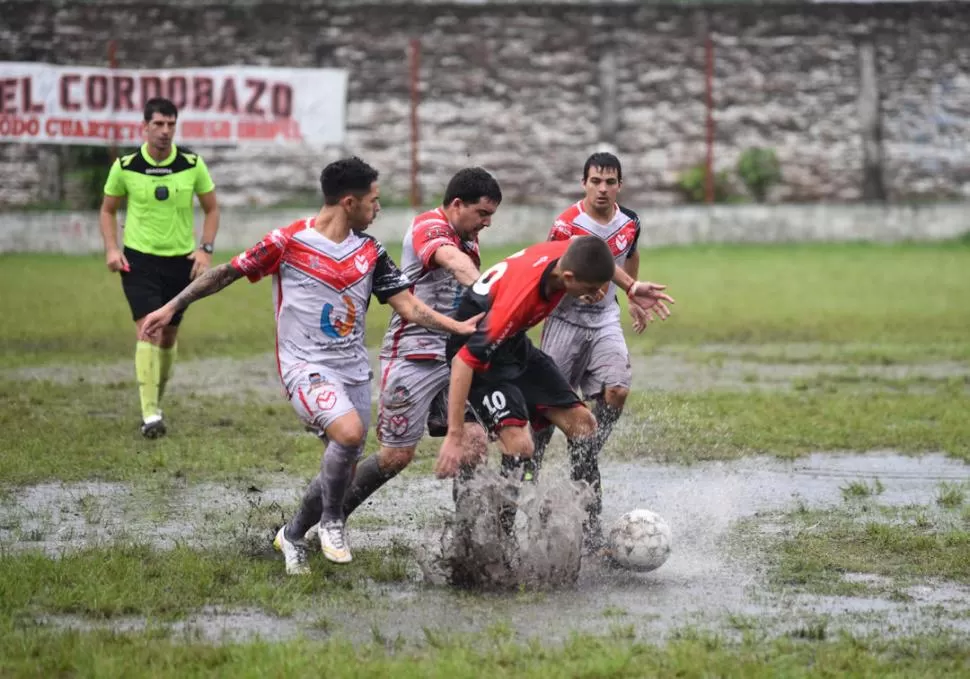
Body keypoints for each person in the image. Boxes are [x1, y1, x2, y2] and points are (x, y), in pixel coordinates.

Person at [138, 157, 482, 575]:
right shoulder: (288, 241)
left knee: (347, 458)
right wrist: (172, 307)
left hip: (353, 370)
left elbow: (408, 305)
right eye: (374, 201)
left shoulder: (370, 252)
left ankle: (294, 533)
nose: (378, 210)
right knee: (350, 434)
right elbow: (227, 273)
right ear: (348, 202)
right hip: (305, 366)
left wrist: (456, 326)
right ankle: (333, 522)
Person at [433, 235, 673, 549]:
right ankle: (502, 537)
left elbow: (593, 247)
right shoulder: (517, 302)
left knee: (584, 426)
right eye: (590, 289)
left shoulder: (568, 255)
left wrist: (629, 285)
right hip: (479, 358)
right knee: (520, 445)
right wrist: (454, 435)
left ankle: (584, 522)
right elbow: (463, 362)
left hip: (514, 345)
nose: (596, 295)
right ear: (569, 278)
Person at [339, 168, 501, 521]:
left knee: (474, 443)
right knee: (396, 456)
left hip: (455, 357)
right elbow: (454, 263)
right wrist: (495, 295)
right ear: (457, 204)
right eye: (483, 214)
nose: (487, 223)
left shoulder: (468, 235)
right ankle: (327, 517)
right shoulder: (429, 226)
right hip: (414, 356)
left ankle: (470, 541)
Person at [529, 152, 650, 540]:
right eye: (595, 181)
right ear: (584, 183)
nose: (602, 189)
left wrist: (631, 294)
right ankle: (522, 482)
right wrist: (574, 290)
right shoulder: (567, 224)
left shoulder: (629, 221)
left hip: (604, 321)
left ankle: (584, 453)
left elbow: (629, 257)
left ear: (620, 185)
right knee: (543, 417)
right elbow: (549, 268)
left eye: (610, 182)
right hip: (564, 321)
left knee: (617, 390)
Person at [99, 97, 221, 439]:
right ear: (145, 127)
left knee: (168, 336)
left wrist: (205, 250)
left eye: (171, 124)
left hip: (181, 264)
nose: (165, 131)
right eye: (159, 124)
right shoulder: (125, 166)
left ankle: (155, 398)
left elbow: (212, 209)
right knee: (148, 330)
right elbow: (107, 210)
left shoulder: (192, 164)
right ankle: (150, 414)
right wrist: (111, 248)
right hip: (138, 262)